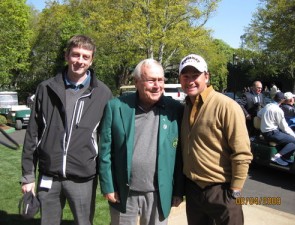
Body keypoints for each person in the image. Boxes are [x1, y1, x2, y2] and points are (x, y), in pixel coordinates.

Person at [21, 35, 113, 225]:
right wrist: (28, 176)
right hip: (49, 175)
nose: (80, 61)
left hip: (83, 177)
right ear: (66, 56)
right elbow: (32, 134)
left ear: (91, 60)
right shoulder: (45, 88)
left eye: (85, 57)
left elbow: (106, 141)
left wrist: (108, 181)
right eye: (75, 55)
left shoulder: (103, 93)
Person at [99, 59, 184, 225]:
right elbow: (105, 152)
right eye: (151, 80)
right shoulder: (116, 107)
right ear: (136, 82)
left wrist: (178, 190)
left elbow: (179, 154)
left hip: (159, 193)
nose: (157, 85)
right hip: (124, 193)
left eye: (160, 80)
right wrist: (108, 186)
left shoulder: (175, 109)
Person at [179, 54, 253, 225]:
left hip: (222, 190)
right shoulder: (185, 108)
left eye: (195, 75)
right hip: (193, 191)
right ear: (180, 79)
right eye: (185, 76)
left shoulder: (227, 106)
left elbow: (242, 152)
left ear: (206, 76)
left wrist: (235, 190)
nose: (190, 81)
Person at [257, 92, 295, 166]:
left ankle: (285, 157)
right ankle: (277, 157)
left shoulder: (267, 106)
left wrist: (267, 120)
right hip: (272, 133)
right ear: (282, 100)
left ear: (274, 98)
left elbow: (259, 114)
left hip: (265, 132)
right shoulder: (278, 110)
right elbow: (284, 127)